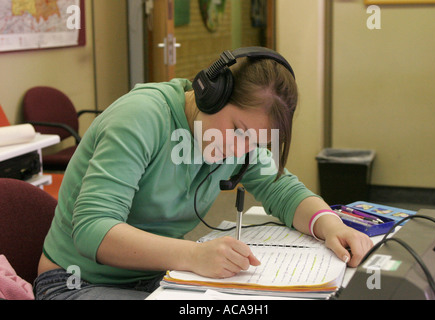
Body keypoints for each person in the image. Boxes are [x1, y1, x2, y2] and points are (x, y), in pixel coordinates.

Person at [33, 47, 372, 300]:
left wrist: (330, 225)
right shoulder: (140, 118)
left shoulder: (236, 140)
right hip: (76, 282)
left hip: (159, 277)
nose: (242, 151)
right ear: (210, 93)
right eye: (238, 130)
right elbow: (93, 230)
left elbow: (283, 190)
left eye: (256, 141)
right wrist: (194, 255)